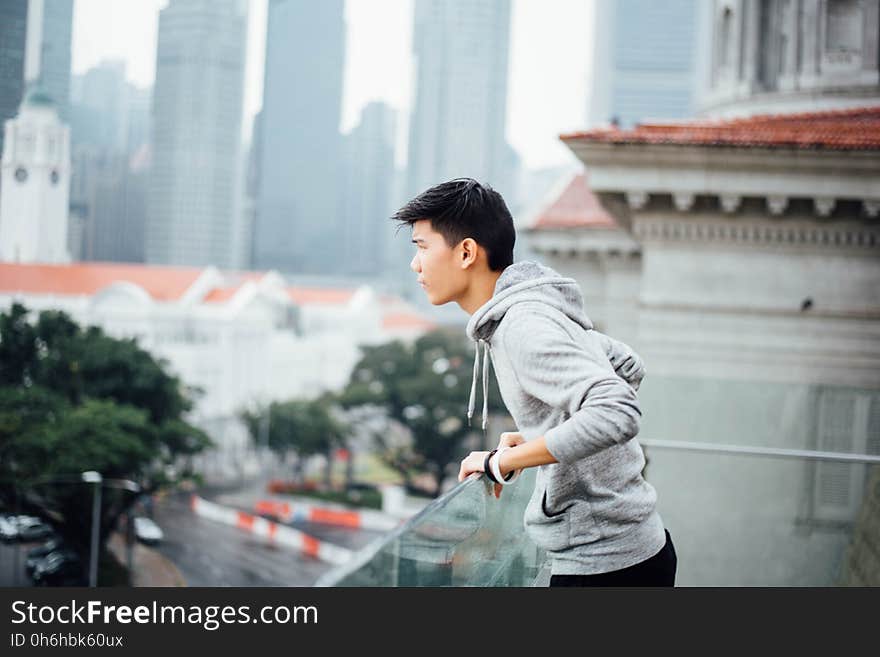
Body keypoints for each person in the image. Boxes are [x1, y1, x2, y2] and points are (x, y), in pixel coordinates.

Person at [391, 178, 677, 587]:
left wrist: (502, 461)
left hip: (605, 566)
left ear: (467, 251)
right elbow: (626, 365)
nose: (415, 264)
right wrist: (540, 437)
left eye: (422, 247)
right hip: (634, 550)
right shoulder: (533, 311)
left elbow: (617, 410)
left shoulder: (522, 327)